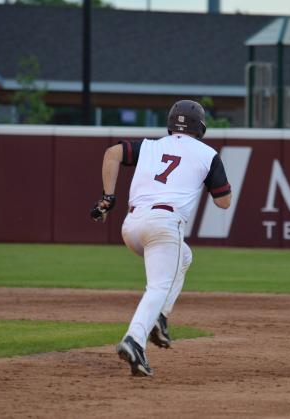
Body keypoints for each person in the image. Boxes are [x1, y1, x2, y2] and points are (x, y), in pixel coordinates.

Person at [90, 99, 232, 377]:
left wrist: (108, 197)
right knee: (158, 286)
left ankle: (160, 318)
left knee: (185, 255)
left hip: (132, 226)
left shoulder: (149, 146)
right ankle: (135, 339)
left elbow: (111, 153)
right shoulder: (207, 154)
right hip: (164, 224)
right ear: (200, 126)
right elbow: (224, 202)